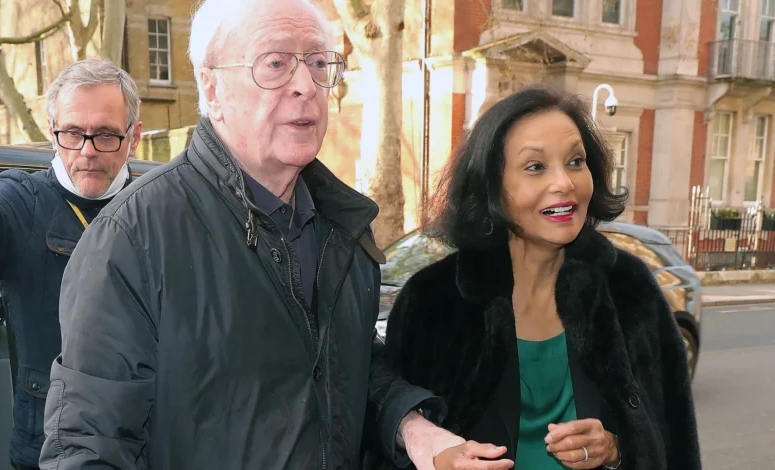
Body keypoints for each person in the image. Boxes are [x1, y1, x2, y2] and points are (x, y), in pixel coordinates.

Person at [39, 1, 515, 469]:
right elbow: (88, 446)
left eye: (317, 63)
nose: (306, 86)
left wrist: (414, 429)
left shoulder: (342, 228)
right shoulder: (131, 239)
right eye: (276, 64)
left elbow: (343, 371)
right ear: (212, 86)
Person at [365, 86, 702, 470]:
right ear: (491, 187)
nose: (564, 182)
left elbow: (676, 442)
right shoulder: (433, 301)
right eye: (535, 167)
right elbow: (392, 446)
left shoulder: (628, 288)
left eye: (576, 161)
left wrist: (617, 450)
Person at [0, 58, 142, 470]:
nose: (88, 151)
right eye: (73, 133)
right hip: (47, 450)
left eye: (107, 135)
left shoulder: (161, 207)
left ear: (135, 136)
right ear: (52, 130)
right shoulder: (19, 203)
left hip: (146, 444)